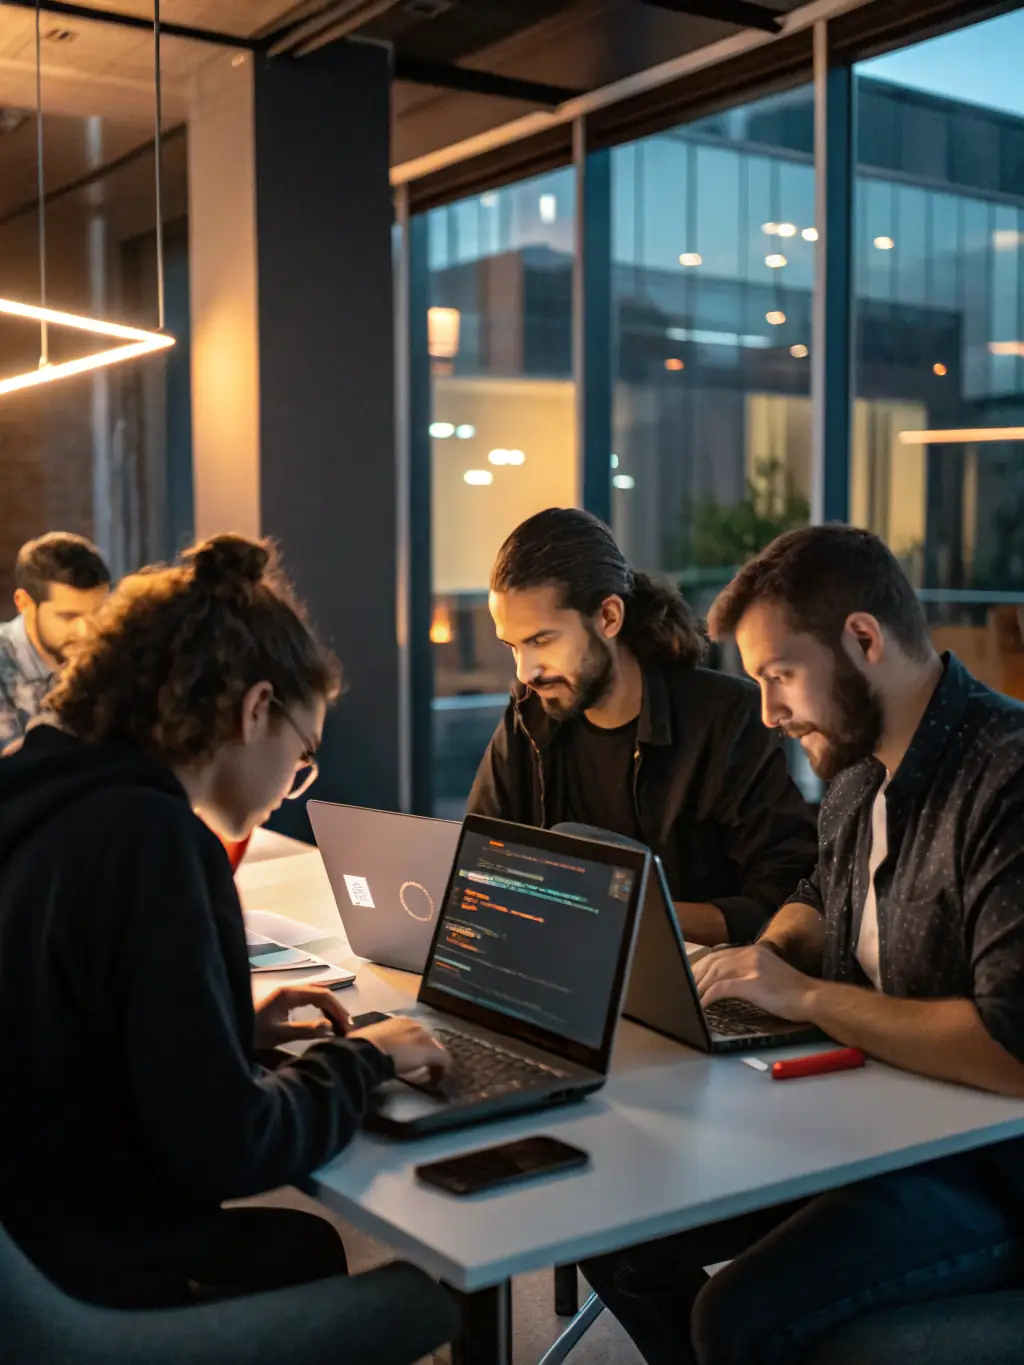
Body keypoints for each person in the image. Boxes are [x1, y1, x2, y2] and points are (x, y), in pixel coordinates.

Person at [581, 524, 1024, 1365]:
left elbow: (1012, 1045)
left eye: (780, 676)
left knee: (734, 1316)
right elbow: (824, 890)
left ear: (863, 639)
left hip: (987, 1171)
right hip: (868, 1120)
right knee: (612, 1222)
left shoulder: (1006, 776)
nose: (770, 713)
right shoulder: (858, 769)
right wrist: (767, 958)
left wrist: (807, 996)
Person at [0, 533, 450, 1310]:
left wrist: (223, 1032)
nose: (294, 784)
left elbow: (65, 1029)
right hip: (88, 1297)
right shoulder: (154, 839)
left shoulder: (35, 793)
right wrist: (366, 1056)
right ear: (255, 709)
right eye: (303, 753)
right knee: (413, 1302)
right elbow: (231, 1149)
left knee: (299, 1248)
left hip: (32, 1248)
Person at [467, 508, 817, 945]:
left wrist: (619, 913)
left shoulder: (725, 717)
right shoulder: (528, 714)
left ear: (609, 617)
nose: (526, 672)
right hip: (558, 963)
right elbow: (479, 864)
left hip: (696, 980)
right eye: (512, 646)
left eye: (542, 640)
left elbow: (781, 900)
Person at [0, 531, 111, 754]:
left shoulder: (111, 652)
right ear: (25, 604)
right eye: (69, 617)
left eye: (98, 614)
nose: (86, 632)